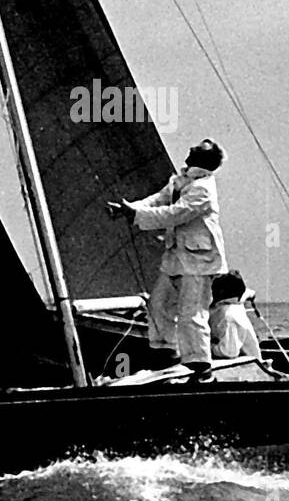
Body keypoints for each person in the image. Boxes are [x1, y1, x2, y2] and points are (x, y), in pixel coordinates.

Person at [107, 139, 226, 384]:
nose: (191, 148)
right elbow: (157, 201)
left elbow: (176, 213)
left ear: (204, 160)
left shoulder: (203, 188)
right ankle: (167, 356)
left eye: (198, 149)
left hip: (198, 261)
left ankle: (200, 368)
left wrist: (137, 215)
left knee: (191, 313)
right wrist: (129, 209)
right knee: (158, 305)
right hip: (176, 258)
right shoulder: (180, 181)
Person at [209, 271, 262, 362]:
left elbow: (229, 352)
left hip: (245, 365)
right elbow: (248, 293)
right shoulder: (233, 302)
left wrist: (206, 347)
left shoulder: (229, 316)